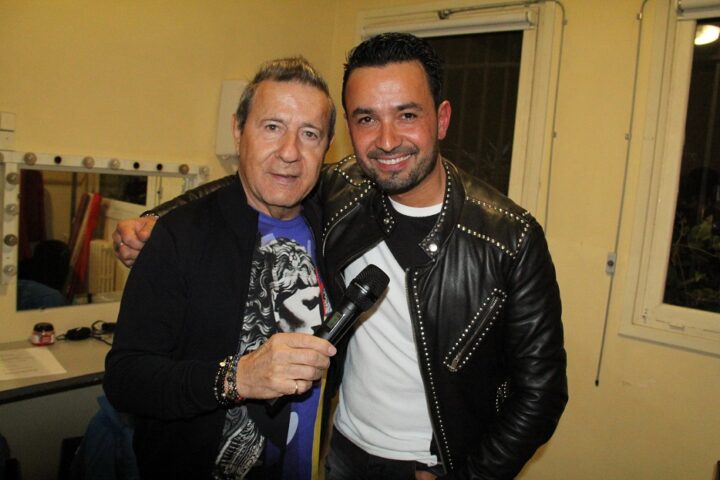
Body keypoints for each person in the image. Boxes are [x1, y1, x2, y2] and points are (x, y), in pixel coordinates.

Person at [114, 33, 568, 479]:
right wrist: (157, 217)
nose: (387, 141)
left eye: (407, 114)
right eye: (367, 118)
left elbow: (542, 392)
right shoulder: (344, 192)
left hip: (435, 463)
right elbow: (255, 181)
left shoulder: (510, 238)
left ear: (442, 119)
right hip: (342, 452)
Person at [103, 56, 338, 479]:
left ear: (326, 147)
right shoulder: (178, 237)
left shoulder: (333, 232)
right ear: (238, 130)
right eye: (272, 127)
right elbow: (126, 379)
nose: (290, 152)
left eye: (310, 134)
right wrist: (238, 378)